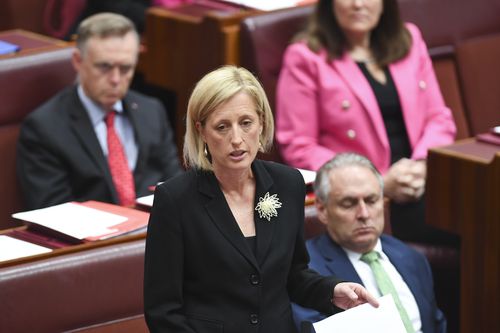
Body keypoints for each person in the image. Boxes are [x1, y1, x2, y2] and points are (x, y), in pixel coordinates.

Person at [144, 66, 379, 333]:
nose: (236, 139)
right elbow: (162, 313)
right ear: (202, 132)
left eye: (246, 123)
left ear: (261, 122)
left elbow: (293, 276)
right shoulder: (175, 200)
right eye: (222, 127)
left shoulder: (288, 184)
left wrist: (331, 290)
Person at [275, 0, 457, 246]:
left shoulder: (409, 39)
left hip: (424, 181)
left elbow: (439, 117)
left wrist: (421, 165)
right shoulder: (306, 56)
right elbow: (298, 145)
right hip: (369, 200)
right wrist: (378, 180)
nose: (358, 4)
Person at [17, 13, 182, 209]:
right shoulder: (44, 128)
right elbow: (53, 213)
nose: (115, 79)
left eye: (126, 68)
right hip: (94, 237)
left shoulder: (152, 111)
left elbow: (175, 186)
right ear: (78, 61)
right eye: (104, 67)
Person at [292, 152, 446, 333]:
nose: (364, 214)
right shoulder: (303, 272)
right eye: (349, 203)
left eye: (371, 200)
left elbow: (436, 324)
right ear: (322, 209)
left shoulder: (412, 258)